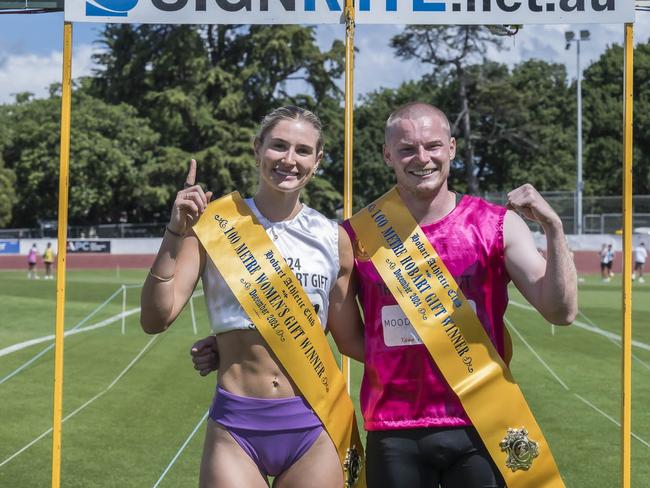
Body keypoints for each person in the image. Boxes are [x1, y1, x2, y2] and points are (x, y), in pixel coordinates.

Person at [193, 102, 578, 487]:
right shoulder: (357, 236)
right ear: (387, 155)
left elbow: (560, 311)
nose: (422, 158)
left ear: (452, 149)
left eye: (433, 146)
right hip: (393, 429)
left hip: (482, 421)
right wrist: (236, 343)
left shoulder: (496, 225)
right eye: (408, 149)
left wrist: (554, 228)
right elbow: (335, 328)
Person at [140, 106, 364, 488]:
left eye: (303, 150)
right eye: (278, 146)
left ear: (318, 159)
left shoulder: (333, 238)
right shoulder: (212, 225)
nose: (289, 160)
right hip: (236, 427)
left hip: (315, 422)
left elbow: (350, 339)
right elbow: (155, 318)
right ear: (257, 148)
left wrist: (428, 343)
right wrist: (176, 231)